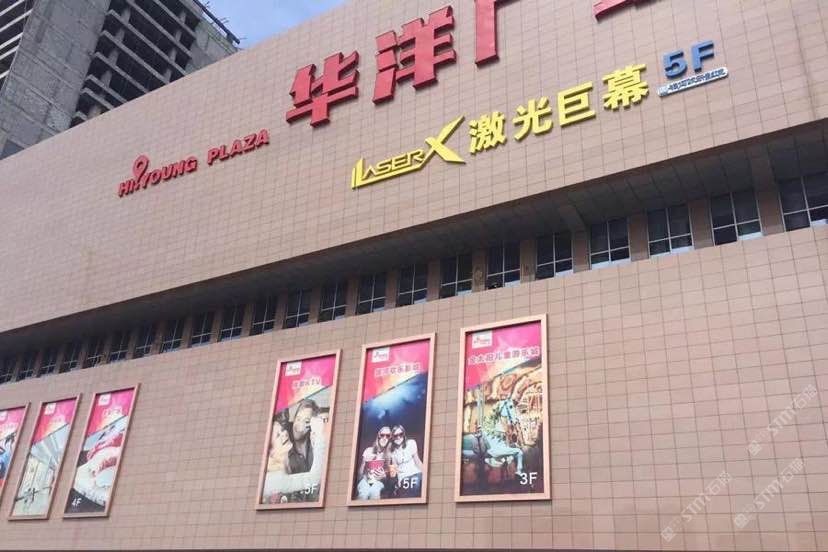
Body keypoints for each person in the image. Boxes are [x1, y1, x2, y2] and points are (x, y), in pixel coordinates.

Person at [261, 400, 327, 504]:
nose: (285, 434)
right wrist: (320, 435)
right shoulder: (274, 478)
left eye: (282, 430)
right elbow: (314, 478)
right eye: (278, 436)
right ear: (271, 453)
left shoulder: (310, 444)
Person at [388, 425, 423, 498]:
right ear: (392, 437)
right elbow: (395, 468)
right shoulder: (392, 450)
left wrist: (426, 473)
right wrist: (398, 481)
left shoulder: (411, 443)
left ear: (404, 434)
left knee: (419, 482)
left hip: (416, 472)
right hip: (404, 477)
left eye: (400, 434)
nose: (398, 437)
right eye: (395, 435)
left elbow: (417, 461)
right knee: (413, 486)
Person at [355, 426, 390, 500]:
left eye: (387, 436)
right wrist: (364, 463)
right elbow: (359, 475)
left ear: (390, 438)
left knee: (374, 491)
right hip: (366, 480)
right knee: (363, 493)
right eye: (382, 435)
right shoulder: (368, 450)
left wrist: (384, 476)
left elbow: (390, 478)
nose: (384, 438)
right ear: (378, 436)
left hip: (379, 482)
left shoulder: (390, 454)